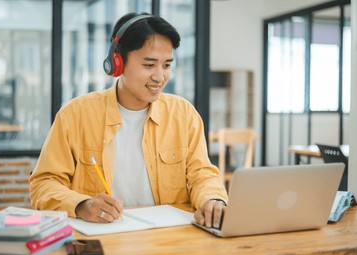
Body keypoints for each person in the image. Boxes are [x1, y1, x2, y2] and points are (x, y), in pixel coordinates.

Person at [29, 12, 228, 229]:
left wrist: (213, 199)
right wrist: (80, 205)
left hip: (167, 239)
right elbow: (44, 183)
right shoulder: (75, 115)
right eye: (149, 65)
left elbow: (202, 175)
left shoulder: (184, 114)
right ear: (118, 63)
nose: (160, 77)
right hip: (104, 236)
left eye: (167, 65)